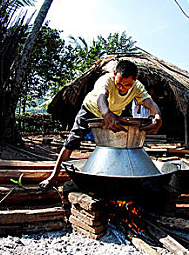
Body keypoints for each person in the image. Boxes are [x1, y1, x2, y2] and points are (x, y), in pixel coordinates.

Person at [39, 60, 162, 189]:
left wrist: (158, 116)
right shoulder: (106, 80)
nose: (122, 87)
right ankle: (53, 177)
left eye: (127, 85)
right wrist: (106, 113)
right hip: (91, 110)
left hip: (112, 115)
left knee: (115, 147)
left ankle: (114, 175)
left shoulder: (137, 87)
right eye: (119, 83)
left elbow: (150, 103)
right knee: (71, 142)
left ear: (135, 79)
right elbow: (101, 97)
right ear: (114, 74)